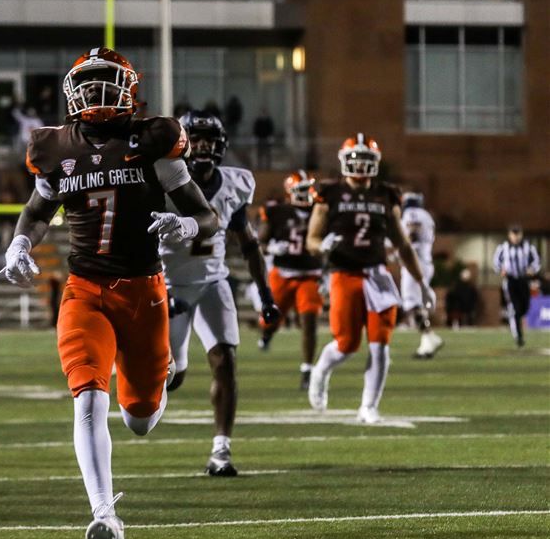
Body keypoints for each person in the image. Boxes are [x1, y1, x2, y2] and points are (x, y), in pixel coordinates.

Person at [0, 47, 216, 539]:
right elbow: (36, 210)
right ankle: (103, 514)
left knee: (140, 418)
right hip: (85, 290)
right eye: (89, 83)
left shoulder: (154, 140)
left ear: (129, 89)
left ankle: (153, 370)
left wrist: (184, 223)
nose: (98, 93)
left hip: (144, 291)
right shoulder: (54, 146)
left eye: (107, 82)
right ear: (73, 91)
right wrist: (19, 242)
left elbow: (206, 216)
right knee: (89, 399)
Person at [158, 111, 280, 476]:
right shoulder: (163, 182)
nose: (203, 147)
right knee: (171, 377)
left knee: (225, 360)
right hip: (171, 286)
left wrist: (266, 295)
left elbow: (249, 243)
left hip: (213, 282)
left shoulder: (234, 184)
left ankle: (221, 450)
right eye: (196, 139)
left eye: (209, 140)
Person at [305, 134, 434, 422]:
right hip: (344, 274)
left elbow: (402, 244)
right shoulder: (330, 193)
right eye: (355, 160)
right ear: (344, 162)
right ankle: (321, 370)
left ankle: (368, 406)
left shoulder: (386, 194)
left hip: (378, 275)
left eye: (366, 161)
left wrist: (422, 283)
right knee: (346, 344)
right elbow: (311, 239)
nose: (361, 167)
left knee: (380, 345)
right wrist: (321, 247)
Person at [258, 170, 324, 389]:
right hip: (283, 274)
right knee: (272, 321)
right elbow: (259, 243)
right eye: (302, 190)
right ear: (291, 192)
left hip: (310, 275)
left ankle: (307, 369)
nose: (307, 193)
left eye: (309, 188)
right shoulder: (277, 212)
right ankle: (267, 334)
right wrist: (272, 247)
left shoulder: (321, 209)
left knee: (309, 321)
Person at [400, 192, 443, 358]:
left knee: (411, 303)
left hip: (414, 262)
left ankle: (429, 337)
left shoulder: (413, 214)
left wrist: (405, 249)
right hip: (425, 261)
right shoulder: (427, 216)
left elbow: (413, 231)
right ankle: (427, 342)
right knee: (416, 303)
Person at [493, 224, 541, 347]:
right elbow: (496, 262)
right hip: (510, 281)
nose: (515, 236)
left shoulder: (528, 247)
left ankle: (515, 322)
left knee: (525, 307)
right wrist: (500, 270)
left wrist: (532, 269)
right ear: (509, 235)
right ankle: (518, 336)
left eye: (517, 233)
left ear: (521, 234)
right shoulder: (503, 248)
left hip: (523, 280)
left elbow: (537, 261)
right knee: (515, 308)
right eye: (513, 234)